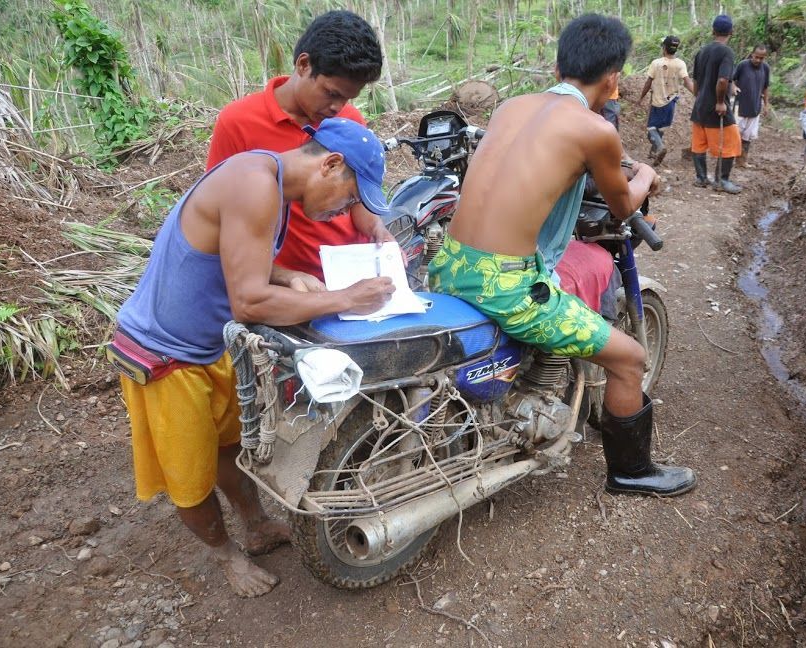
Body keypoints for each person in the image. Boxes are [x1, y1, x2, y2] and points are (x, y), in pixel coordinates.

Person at [114, 119, 397, 597]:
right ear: (330, 164)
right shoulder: (255, 186)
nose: (344, 210)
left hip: (209, 345)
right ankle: (225, 556)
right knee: (189, 473)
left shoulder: (270, 183)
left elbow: (236, 256)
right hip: (165, 355)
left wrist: (285, 277)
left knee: (229, 444)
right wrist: (345, 298)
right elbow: (249, 303)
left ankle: (257, 523)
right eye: (349, 197)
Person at [428, 14, 696, 497]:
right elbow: (621, 206)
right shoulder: (595, 131)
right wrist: (646, 178)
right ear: (614, 78)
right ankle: (631, 472)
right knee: (630, 358)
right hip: (507, 288)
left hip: (449, 264)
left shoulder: (511, 107)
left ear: (558, 65)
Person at [207, 11, 395, 283]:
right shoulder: (238, 122)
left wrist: (376, 228)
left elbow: (355, 193)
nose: (337, 108)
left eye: (347, 99)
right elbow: (221, 215)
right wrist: (281, 277)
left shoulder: (349, 120)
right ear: (304, 65)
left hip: (349, 275)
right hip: (287, 285)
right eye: (332, 93)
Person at [690, 15, 743, 194]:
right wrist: (720, 102)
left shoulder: (701, 51)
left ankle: (701, 178)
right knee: (731, 143)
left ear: (713, 31)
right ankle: (722, 180)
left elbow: (695, 81)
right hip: (716, 107)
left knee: (699, 144)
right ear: (731, 32)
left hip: (700, 107)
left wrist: (699, 98)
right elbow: (722, 80)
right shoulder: (726, 52)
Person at [636, 35, 694, 165]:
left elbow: (648, 82)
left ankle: (660, 148)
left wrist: (641, 98)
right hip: (671, 102)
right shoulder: (680, 64)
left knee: (651, 128)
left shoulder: (656, 63)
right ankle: (653, 152)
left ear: (664, 48)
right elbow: (687, 82)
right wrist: (697, 94)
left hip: (657, 102)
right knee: (660, 128)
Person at [731, 44, 770, 167]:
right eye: (756, 57)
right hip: (740, 105)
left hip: (755, 106)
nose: (758, 60)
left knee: (748, 137)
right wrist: (734, 87)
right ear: (752, 54)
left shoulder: (766, 68)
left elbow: (765, 87)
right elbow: (731, 79)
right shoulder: (743, 65)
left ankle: (742, 161)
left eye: (761, 58)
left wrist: (766, 104)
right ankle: (729, 159)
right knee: (735, 134)